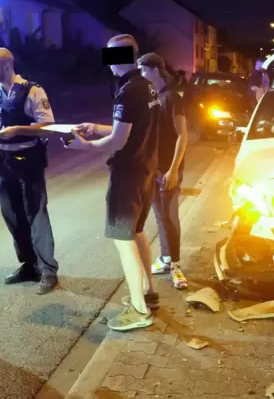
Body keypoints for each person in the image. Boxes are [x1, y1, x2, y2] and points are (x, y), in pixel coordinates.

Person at [69, 34, 161, 331]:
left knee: (123, 241)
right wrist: (96, 128)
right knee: (136, 233)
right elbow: (133, 127)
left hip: (128, 174)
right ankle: (148, 293)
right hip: (146, 171)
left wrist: (82, 145)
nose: (106, 63)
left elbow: (118, 142)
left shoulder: (127, 91)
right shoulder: (146, 85)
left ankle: (138, 310)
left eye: (110, 55)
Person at [0, 48, 58, 294]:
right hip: (5, 162)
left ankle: (48, 270)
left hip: (29, 162)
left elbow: (48, 126)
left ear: (5, 66)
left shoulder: (33, 90)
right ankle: (29, 265)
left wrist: (18, 130)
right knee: (12, 215)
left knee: (36, 215)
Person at [137, 53, 189, 290]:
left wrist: (174, 169)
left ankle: (176, 266)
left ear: (155, 70)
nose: (140, 75)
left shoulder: (172, 97)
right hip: (154, 169)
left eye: (143, 70)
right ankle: (166, 259)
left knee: (169, 216)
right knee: (159, 215)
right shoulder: (152, 97)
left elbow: (182, 136)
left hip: (169, 169)